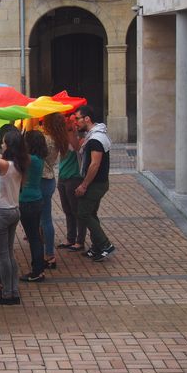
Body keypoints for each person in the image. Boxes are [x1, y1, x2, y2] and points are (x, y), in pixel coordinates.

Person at [0, 128, 28, 305]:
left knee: (2, 255)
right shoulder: (20, 163)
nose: (1, 144)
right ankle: (13, 290)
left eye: (3, 142)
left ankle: (7, 294)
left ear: (9, 146)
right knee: (9, 254)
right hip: (13, 210)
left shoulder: (4, 165)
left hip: (0, 212)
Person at [74, 105, 115, 261]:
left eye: (77, 119)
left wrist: (84, 185)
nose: (76, 122)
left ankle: (105, 245)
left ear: (87, 119)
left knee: (83, 213)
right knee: (91, 213)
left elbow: (94, 164)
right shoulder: (94, 135)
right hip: (98, 183)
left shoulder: (96, 139)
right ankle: (97, 247)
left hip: (96, 184)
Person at [39, 113, 69, 269]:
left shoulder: (46, 139)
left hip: (42, 180)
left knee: (45, 220)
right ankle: (47, 252)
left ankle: (49, 254)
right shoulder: (57, 139)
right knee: (45, 219)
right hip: (49, 179)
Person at [19, 130, 48, 282]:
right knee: (35, 236)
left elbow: (12, 156)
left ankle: (37, 271)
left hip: (27, 202)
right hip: (36, 200)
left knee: (33, 237)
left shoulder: (30, 159)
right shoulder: (39, 158)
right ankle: (39, 268)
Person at [57, 115, 88, 252]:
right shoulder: (62, 137)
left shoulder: (78, 138)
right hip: (63, 177)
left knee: (76, 211)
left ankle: (79, 241)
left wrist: (71, 130)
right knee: (68, 210)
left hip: (73, 177)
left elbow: (75, 147)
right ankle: (71, 238)